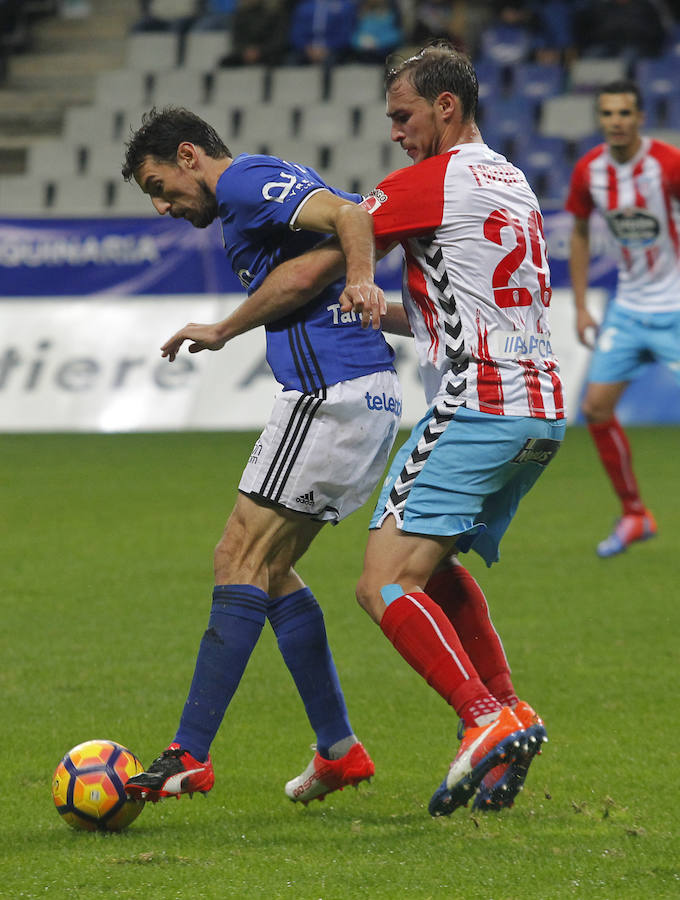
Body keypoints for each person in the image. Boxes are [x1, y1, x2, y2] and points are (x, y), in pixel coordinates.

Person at [187, 43, 566, 816]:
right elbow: (443, 313)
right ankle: (510, 712)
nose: (396, 132)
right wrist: (378, 311)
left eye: (404, 115)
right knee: (433, 565)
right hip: (541, 403)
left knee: (382, 580)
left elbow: (316, 263)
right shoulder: (512, 181)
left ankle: (481, 720)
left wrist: (232, 325)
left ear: (446, 107)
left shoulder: (430, 179)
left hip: (475, 402)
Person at [120, 106, 402, 805]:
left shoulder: (245, 180)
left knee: (237, 558)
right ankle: (339, 751)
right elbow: (316, 260)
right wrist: (344, 272)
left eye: (161, 185)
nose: (162, 205)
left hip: (328, 394)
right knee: (271, 571)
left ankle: (189, 753)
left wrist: (228, 326)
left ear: (190, 155)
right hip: (356, 396)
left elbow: (353, 216)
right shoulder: (247, 205)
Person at [566, 79, 679, 558]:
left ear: (639, 118)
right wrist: (580, 304)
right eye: (608, 113)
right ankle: (635, 514)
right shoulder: (589, 170)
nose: (616, 121)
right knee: (594, 408)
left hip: (676, 306)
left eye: (624, 113)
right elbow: (578, 234)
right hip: (628, 309)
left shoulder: (668, 165)